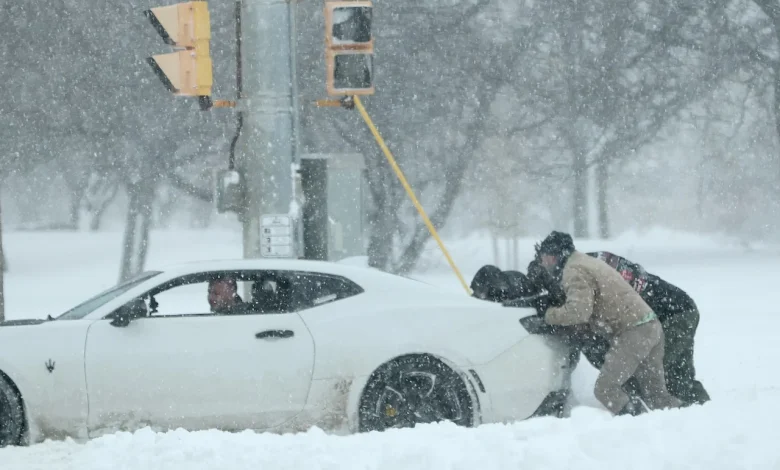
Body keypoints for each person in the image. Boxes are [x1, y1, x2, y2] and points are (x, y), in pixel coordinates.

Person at [532, 231, 683, 416]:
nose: (542, 262)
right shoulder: (584, 261)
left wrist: (549, 315)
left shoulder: (573, 271)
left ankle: (634, 424)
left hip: (634, 331)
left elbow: (578, 312)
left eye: (543, 256)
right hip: (650, 325)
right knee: (658, 397)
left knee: (606, 389)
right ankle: (684, 422)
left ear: (554, 255)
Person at [577, 251, 710, 406]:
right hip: (680, 307)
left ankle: (696, 412)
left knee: (655, 374)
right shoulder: (594, 262)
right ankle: (703, 409)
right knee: (679, 376)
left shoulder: (597, 272)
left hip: (673, 315)